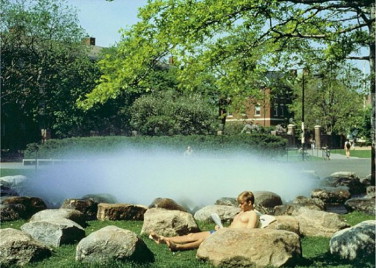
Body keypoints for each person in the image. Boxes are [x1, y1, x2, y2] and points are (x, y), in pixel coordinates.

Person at [149, 191, 260, 251]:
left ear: (249, 203)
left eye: (242, 203)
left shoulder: (252, 214)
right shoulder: (241, 213)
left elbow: (249, 232)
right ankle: (162, 239)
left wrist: (226, 231)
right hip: (223, 233)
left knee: (202, 239)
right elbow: (233, 226)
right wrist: (220, 228)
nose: (239, 206)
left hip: (231, 237)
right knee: (191, 235)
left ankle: (178, 247)